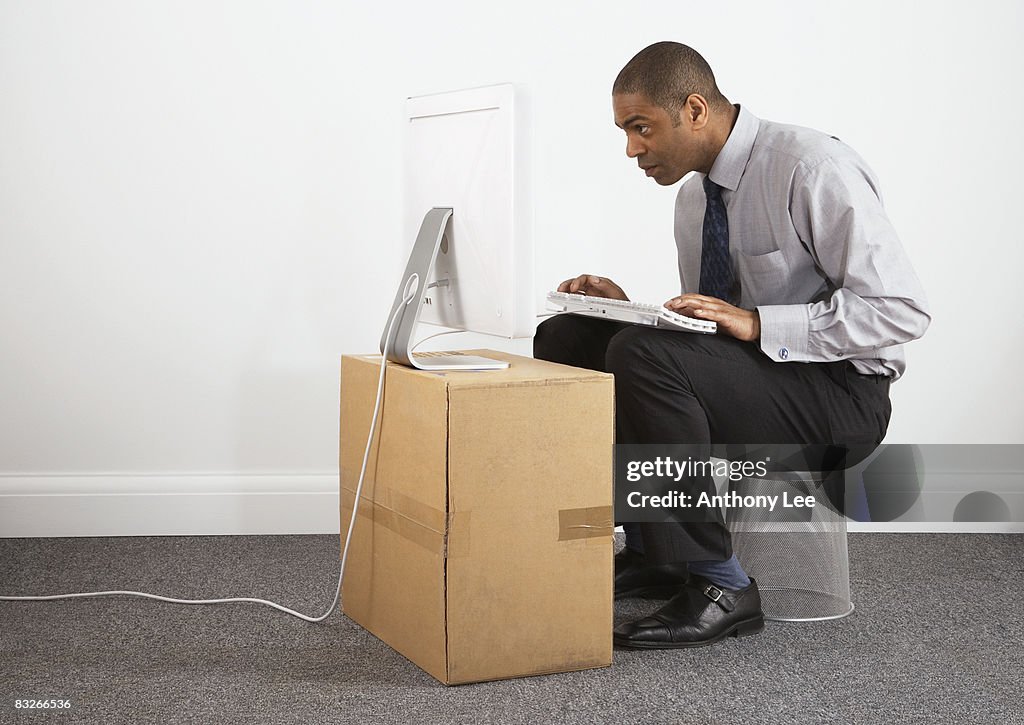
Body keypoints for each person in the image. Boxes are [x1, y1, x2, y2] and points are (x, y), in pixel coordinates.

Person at [534, 41, 930, 649]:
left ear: (694, 109)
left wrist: (761, 324)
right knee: (569, 336)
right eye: (625, 131)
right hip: (767, 383)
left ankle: (723, 585)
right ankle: (653, 549)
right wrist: (624, 311)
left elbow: (899, 309)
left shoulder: (811, 167)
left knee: (641, 356)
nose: (631, 149)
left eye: (641, 128)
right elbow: (706, 338)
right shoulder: (694, 198)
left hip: (842, 400)